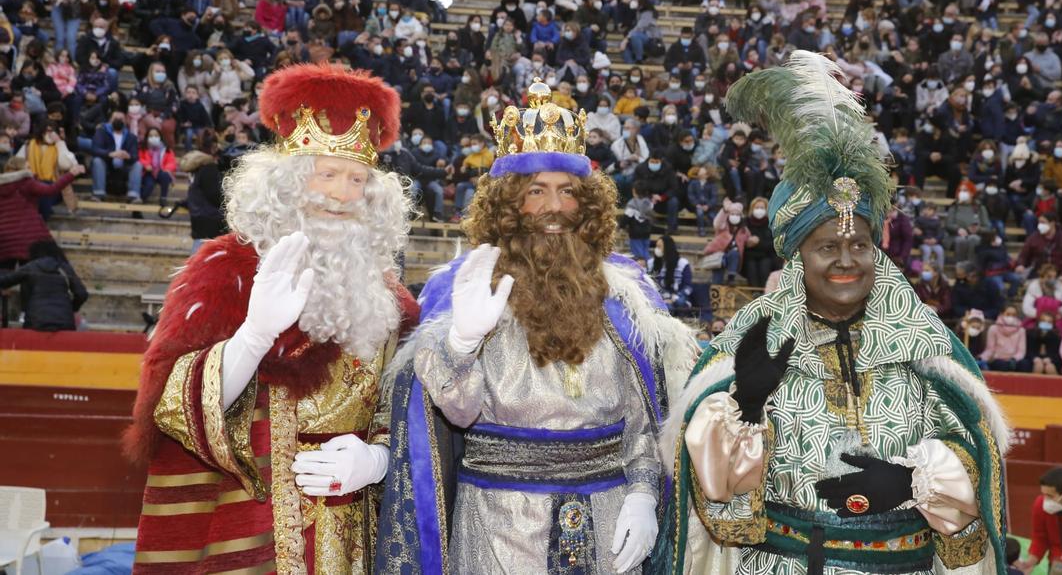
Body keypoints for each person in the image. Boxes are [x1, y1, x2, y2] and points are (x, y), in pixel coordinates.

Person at [658, 52, 1009, 574]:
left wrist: (914, 479)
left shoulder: (923, 343)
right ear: (799, 255)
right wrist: (745, 408)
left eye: (860, 245)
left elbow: (978, 451)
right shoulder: (753, 340)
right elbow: (717, 504)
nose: (847, 260)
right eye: (827, 247)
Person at [376, 78, 697, 574]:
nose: (553, 207)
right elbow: (455, 416)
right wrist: (460, 344)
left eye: (568, 191)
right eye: (536, 191)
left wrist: (643, 494)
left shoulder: (626, 298)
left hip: (610, 516)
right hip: (500, 524)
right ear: (509, 203)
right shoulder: (466, 289)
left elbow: (643, 419)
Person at [124, 65, 420, 573]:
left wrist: (379, 460)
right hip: (254, 531)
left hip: (359, 542)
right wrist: (253, 337)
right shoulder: (225, 270)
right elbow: (167, 406)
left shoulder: (390, 297)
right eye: (326, 174)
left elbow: (407, 415)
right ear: (288, 184)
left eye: (357, 180)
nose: (342, 194)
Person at [0, 156, 84, 267]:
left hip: (4, 238)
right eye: (28, 167)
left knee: (4, 275)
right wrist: (71, 174)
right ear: (20, 168)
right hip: (26, 235)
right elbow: (51, 190)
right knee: (30, 275)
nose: (31, 170)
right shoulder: (26, 182)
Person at [0, 240, 87, 331]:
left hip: (35, 321)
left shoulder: (30, 267)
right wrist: (71, 308)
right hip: (65, 322)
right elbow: (82, 294)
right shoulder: (64, 268)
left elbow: (5, 280)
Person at [982, 306, 1028, 372]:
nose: (1011, 317)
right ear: (1002, 314)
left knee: (1024, 364)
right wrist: (982, 358)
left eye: (1013, 315)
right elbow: (990, 349)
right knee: (1001, 365)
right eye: (1008, 314)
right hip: (998, 359)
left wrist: (1013, 359)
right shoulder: (994, 328)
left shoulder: (1021, 330)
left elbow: (1021, 351)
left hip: (1014, 360)